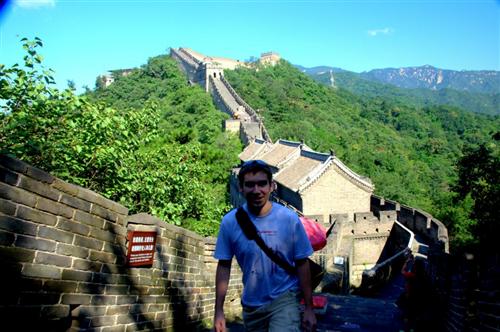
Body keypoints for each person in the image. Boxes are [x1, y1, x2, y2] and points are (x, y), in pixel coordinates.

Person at [213, 159, 317, 332]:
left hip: (285, 299)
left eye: (262, 184)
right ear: (241, 187)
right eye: (250, 185)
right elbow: (224, 265)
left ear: (271, 186)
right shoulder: (230, 222)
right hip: (252, 306)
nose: (256, 190)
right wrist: (218, 311)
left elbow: (302, 263)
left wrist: (309, 308)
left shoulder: (289, 219)